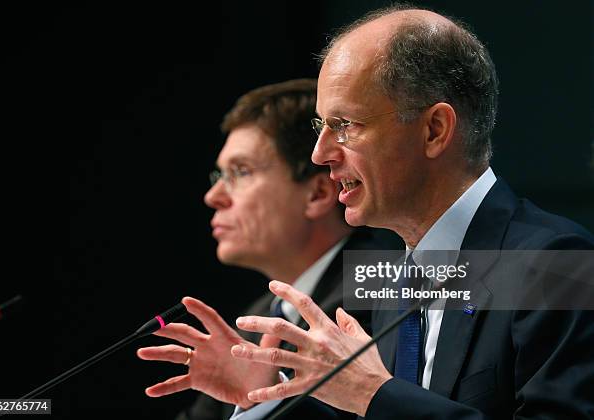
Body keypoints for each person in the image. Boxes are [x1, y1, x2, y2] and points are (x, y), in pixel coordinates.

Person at [228, 6, 594, 419]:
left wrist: (374, 393)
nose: (321, 153)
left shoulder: (555, 267)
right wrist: (266, 396)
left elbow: (386, 403)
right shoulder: (392, 281)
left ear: (434, 130)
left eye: (344, 124)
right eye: (321, 127)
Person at [136, 79, 401, 419]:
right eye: (220, 175)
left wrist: (257, 401)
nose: (213, 197)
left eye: (240, 172)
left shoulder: (387, 292)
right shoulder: (256, 320)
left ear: (317, 194)